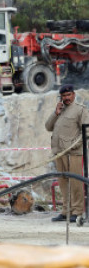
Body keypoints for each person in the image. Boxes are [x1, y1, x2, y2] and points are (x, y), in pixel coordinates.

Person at [46, 84, 89, 222]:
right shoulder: (60, 110)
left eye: (68, 95)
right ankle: (66, 211)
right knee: (63, 182)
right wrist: (55, 113)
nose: (66, 98)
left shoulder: (80, 110)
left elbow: (86, 132)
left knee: (76, 183)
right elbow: (48, 127)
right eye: (64, 96)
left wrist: (72, 146)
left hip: (74, 153)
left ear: (73, 95)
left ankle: (77, 211)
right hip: (59, 152)